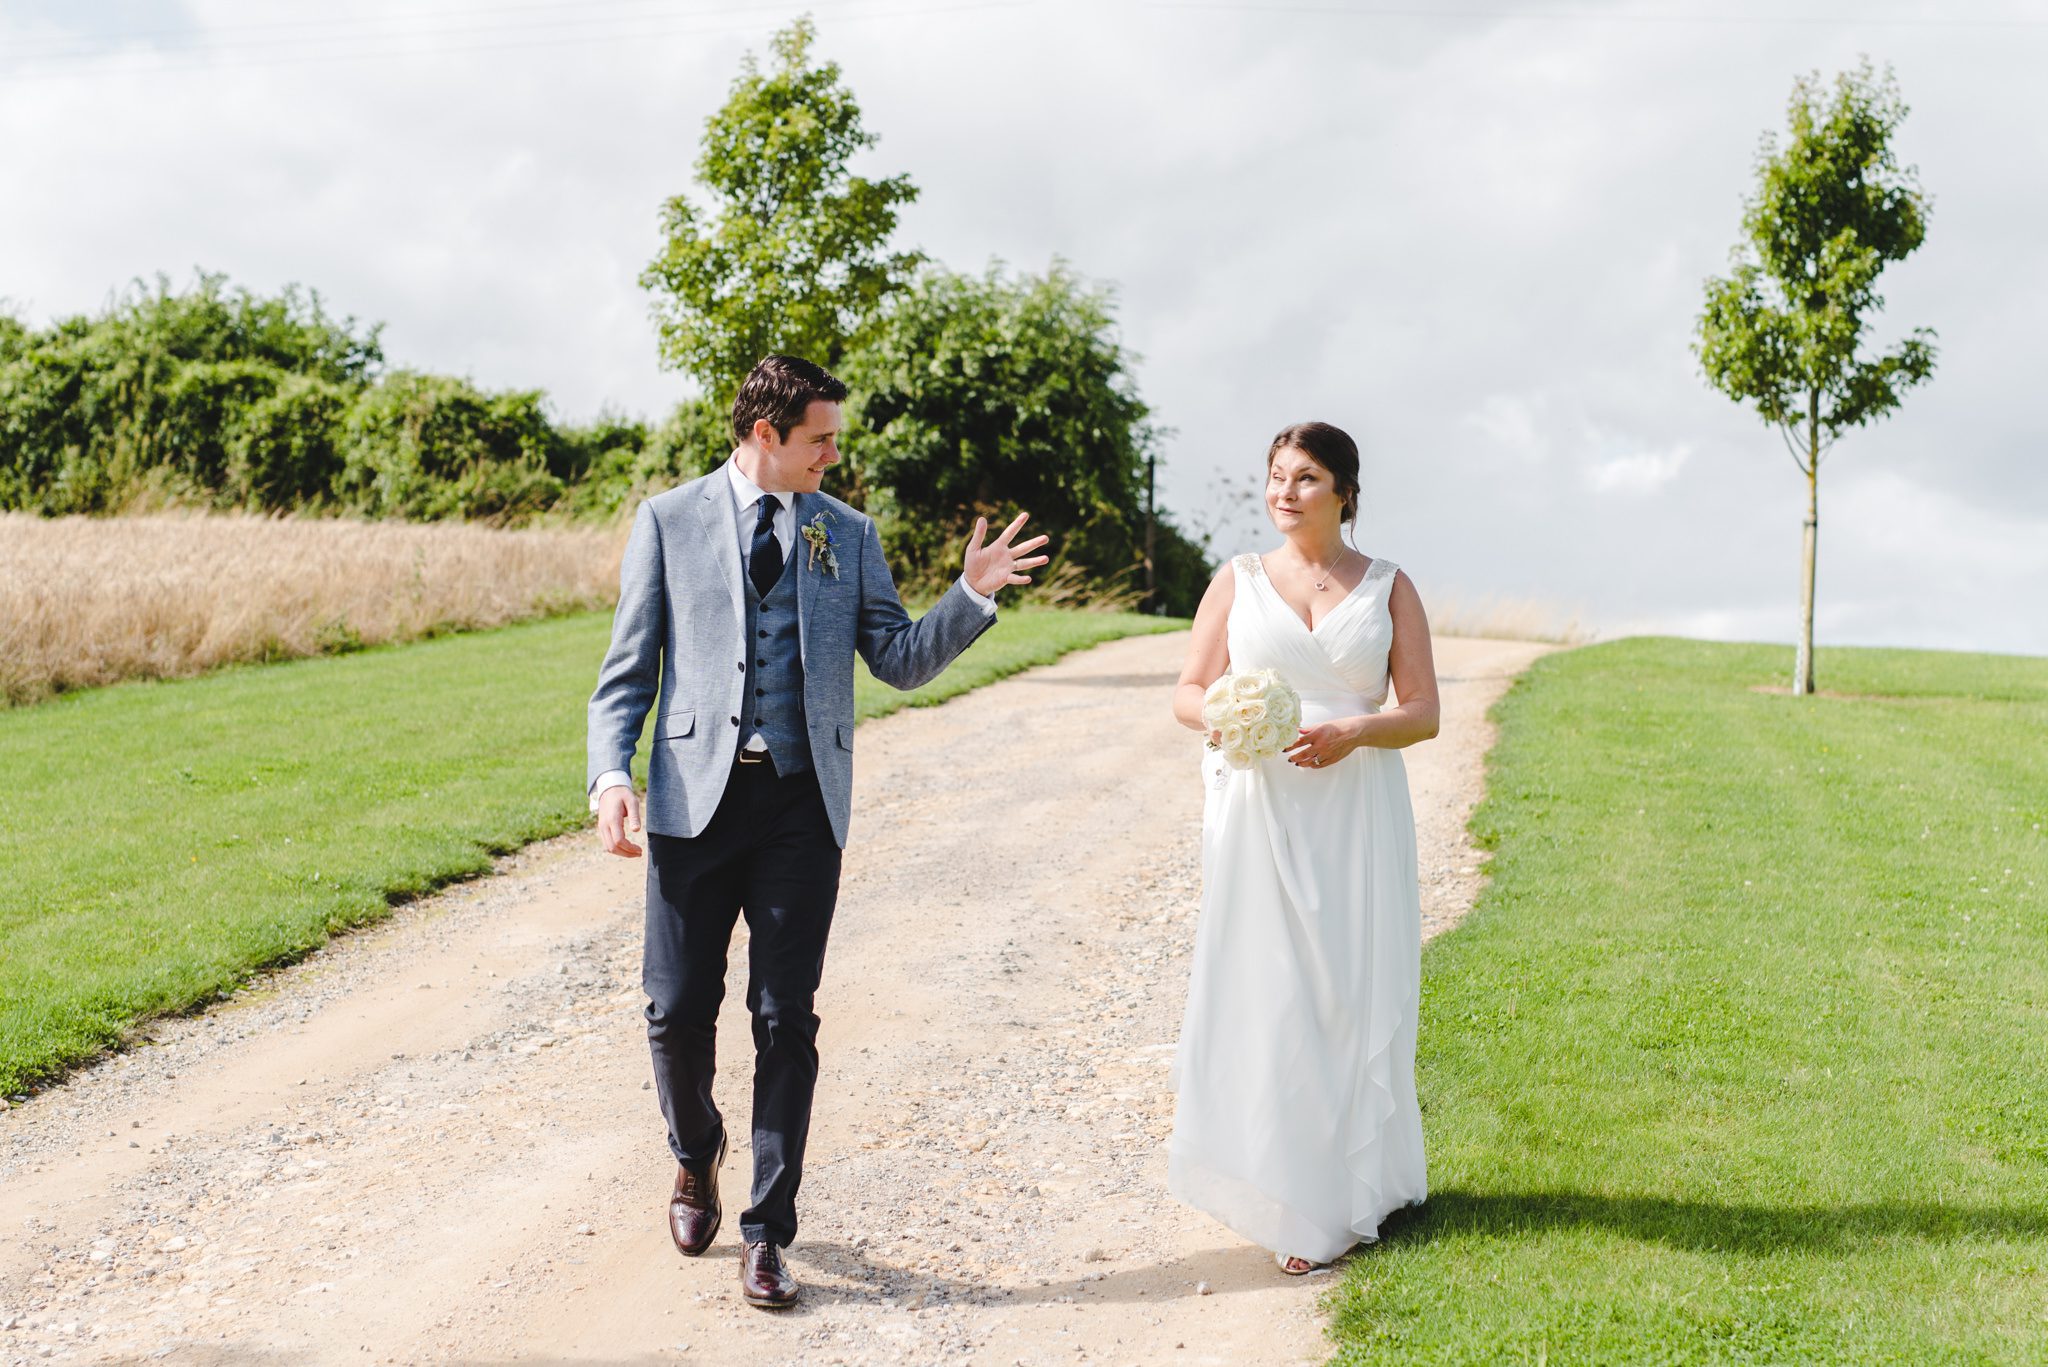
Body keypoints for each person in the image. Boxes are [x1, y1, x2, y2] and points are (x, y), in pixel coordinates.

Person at [585, 354, 1049, 1308]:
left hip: (802, 805)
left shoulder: (849, 533)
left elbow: (901, 659)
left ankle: (766, 1229)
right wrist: (609, 777)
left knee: (784, 1018)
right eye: (820, 438)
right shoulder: (668, 522)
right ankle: (695, 1148)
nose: (834, 454)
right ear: (767, 435)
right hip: (690, 804)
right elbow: (628, 667)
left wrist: (973, 595)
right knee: (674, 1011)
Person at [1166, 420, 1440, 1274]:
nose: (1285, 491)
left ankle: (1351, 1188)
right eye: (1277, 476)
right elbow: (1186, 689)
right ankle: (1292, 1195)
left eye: (1307, 477)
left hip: (1354, 809)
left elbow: (1425, 711)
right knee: (1275, 989)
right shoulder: (1238, 580)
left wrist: (1357, 729)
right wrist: (1228, 718)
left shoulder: (1390, 587)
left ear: (1345, 493)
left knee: (1346, 992)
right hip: (1261, 808)